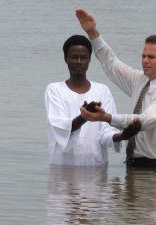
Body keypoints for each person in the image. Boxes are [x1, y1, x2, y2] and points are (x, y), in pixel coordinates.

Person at [75, 9, 156, 168]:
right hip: (131, 165)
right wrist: (92, 32)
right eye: (143, 56)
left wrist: (107, 117)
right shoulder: (140, 80)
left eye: (151, 57)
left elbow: (143, 122)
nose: (145, 61)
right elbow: (112, 65)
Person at [45, 34, 141, 166]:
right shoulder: (55, 90)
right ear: (65, 59)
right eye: (73, 57)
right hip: (63, 168)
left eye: (83, 57)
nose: (78, 61)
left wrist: (123, 136)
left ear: (89, 60)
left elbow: (106, 132)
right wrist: (85, 117)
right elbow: (60, 127)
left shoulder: (102, 91)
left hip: (96, 168)